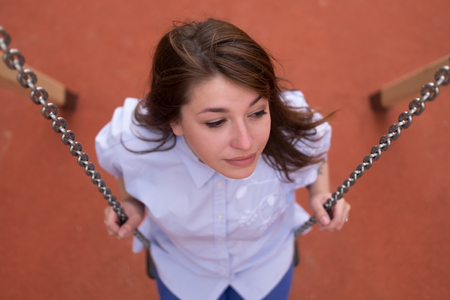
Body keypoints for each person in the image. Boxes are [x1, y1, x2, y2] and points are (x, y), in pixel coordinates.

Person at [97, 18, 350, 300]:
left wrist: (320, 192)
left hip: (264, 267)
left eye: (256, 113)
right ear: (174, 121)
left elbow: (312, 154)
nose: (245, 142)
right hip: (185, 272)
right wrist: (132, 203)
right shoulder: (131, 142)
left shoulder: (289, 129)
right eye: (216, 122)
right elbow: (126, 167)